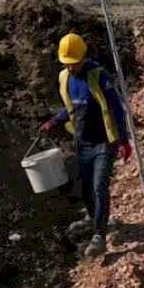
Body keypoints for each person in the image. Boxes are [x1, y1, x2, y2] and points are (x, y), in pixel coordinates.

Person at [40, 32, 134, 258]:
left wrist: (123, 140)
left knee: (99, 186)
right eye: (66, 64)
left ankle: (100, 235)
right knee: (85, 188)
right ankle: (94, 219)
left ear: (83, 57)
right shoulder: (65, 78)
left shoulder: (99, 77)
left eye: (74, 63)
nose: (71, 68)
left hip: (104, 142)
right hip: (82, 141)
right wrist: (55, 121)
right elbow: (73, 107)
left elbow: (117, 109)